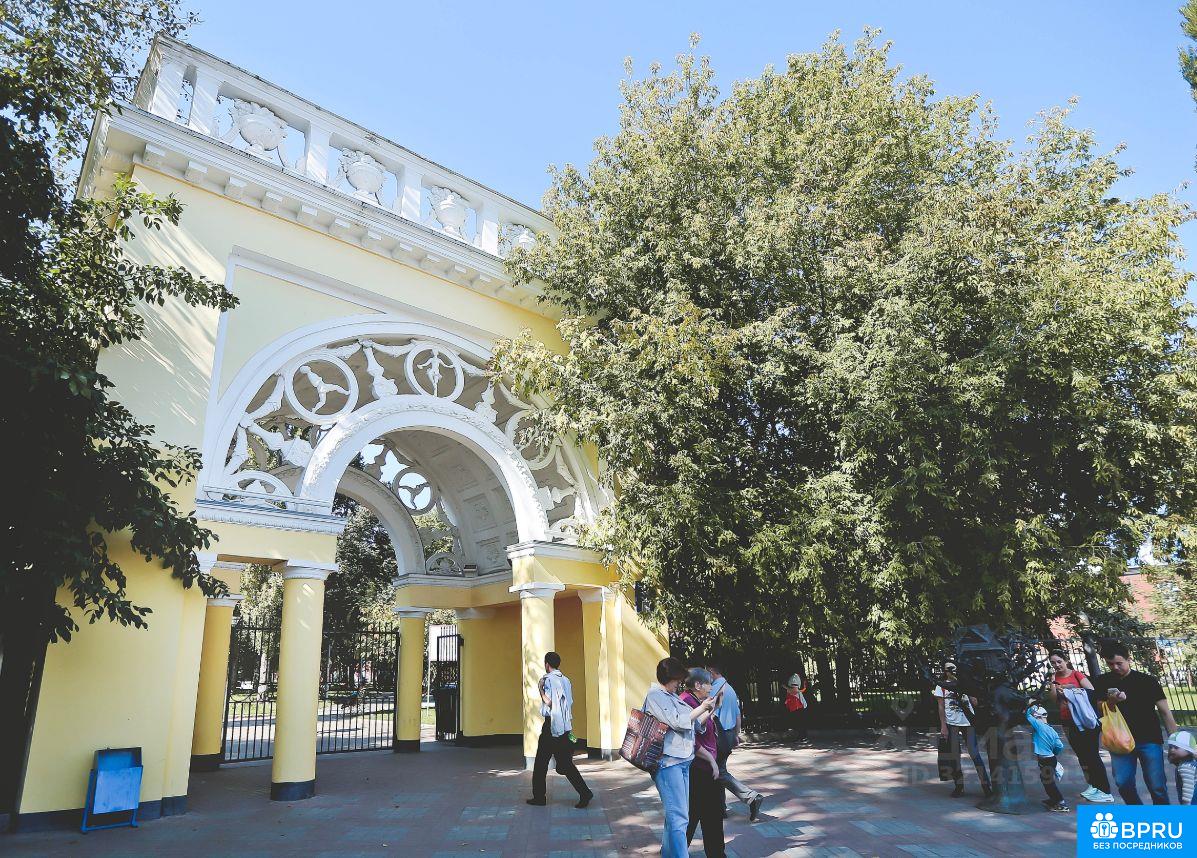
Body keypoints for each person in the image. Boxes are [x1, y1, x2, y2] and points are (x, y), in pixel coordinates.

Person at [644, 657, 720, 858]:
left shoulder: (672, 696)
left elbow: (694, 725)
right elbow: (678, 722)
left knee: (676, 817)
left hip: (682, 761)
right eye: (678, 679)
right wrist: (702, 708)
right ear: (671, 677)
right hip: (668, 763)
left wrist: (710, 709)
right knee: (679, 818)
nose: (680, 683)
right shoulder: (655, 696)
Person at [1090, 642, 1179, 805]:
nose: (1115, 667)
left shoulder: (1147, 681)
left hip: (1149, 739)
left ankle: (1163, 816)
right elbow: (1100, 710)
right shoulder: (1103, 681)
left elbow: (1165, 712)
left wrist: (1175, 742)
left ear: (1128, 659)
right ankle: (1138, 813)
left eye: (1119, 663)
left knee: (1157, 786)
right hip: (1119, 740)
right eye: (1110, 664)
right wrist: (1111, 701)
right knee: (1123, 783)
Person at [1046, 649, 1114, 803]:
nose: (1057, 665)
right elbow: (1054, 700)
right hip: (1068, 721)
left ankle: (1105, 790)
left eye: (1059, 661)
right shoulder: (1054, 678)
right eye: (1053, 663)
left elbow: (1091, 692)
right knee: (1082, 755)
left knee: (1092, 754)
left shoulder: (1076, 674)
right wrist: (1052, 683)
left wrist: (1068, 689)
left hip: (1085, 720)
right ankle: (1093, 785)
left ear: (1066, 661)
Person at [527, 651, 593, 808]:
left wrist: (540, 689)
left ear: (547, 664)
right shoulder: (566, 680)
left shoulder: (548, 680)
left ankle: (539, 797)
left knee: (541, 763)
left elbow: (550, 703)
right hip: (564, 725)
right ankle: (584, 792)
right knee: (565, 763)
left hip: (551, 726)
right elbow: (569, 702)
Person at [706, 660, 765, 821]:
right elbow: (738, 715)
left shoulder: (715, 690)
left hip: (719, 736)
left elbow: (709, 714)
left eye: (707, 673)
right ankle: (720, 808)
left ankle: (751, 797)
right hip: (729, 734)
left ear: (712, 672)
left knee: (718, 772)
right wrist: (736, 735)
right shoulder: (730, 688)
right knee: (717, 771)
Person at [680, 669, 726, 858]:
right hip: (697, 768)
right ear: (697, 685)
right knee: (693, 816)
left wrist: (713, 708)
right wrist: (711, 761)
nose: (710, 688)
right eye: (708, 684)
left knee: (710, 815)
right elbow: (691, 739)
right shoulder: (685, 701)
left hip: (704, 767)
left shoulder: (695, 700)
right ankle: (675, 852)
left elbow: (700, 726)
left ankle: (716, 853)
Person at [933, 661, 993, 798]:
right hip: (951, 723)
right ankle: (959, 786)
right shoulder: (941, 686)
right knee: (954, 756)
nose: (951, 671)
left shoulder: (965, 683)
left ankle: (986, 786)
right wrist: (943, 726)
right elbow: (941, 707)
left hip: (968, 722)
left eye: (953, 668)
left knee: (975, 754)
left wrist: (970, 691)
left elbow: (975, 702)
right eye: (948, 668)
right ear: (945, 671)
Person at [1026, 704, 1069, 812]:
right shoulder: (1052, 730)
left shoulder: (1039, 726)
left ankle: (1061, 803)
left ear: (1038, 717)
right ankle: (1053, 799)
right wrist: (1053, 752)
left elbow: (1028, 716)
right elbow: (1059, 746)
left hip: (1045, 760)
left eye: (1035, 717)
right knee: (1047, 781)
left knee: (1049, 783)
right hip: (1051, 759)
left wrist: (1030, 705)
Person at [1166, 730, 1196, 805]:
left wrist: (1186, 804)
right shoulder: (1190, 763)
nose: (1172, 750)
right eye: (1170, 747)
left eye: (1176, 747)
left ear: (1188, 750)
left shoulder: (1185, 767)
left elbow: (1188, 788)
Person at [784, 669, 809, 743]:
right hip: (797, 705)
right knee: (799, 722)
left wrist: (785, 687)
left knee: (799, 722)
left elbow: (794, 691)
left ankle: (802, 737)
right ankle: (802, 737)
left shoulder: (794, 678)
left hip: (798, 705)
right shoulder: (796, 678)